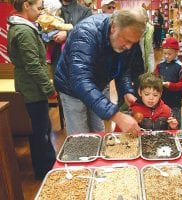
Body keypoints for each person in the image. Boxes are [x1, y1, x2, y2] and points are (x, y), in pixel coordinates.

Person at [54, 8, 146, 135]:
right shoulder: (85, 33)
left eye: (133, 42)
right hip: (72, 89)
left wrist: (126, 90)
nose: (129, 46)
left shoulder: (126, 37)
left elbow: (124, 67)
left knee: (99, 132)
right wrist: (117, 116)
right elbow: (80, 80)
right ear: (113, 27)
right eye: (127, 40)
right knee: (81, 138)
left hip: (97, 85)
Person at [7, 0, 57, 180]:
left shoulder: (22, 26)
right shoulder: (23, 31)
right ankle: (45, 171)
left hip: (30, 86)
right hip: (32, 88)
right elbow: (33, 65)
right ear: (26, 5)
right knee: (39, 130)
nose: (39, 12)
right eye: (37, 8)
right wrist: (49, 88)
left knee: (42, 128)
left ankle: (47, 165)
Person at [154, 37, 182, 128]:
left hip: (175, 101)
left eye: (169, 54)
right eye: (165, 53)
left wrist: (171, 85)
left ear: (176, 52)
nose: (166, 56)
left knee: (175, 122)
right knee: (162, 121)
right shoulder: (160, 65)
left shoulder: (181, 67)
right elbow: (154, 77)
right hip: (161, 100)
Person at [50, 0, 92, 74]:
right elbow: (42, 28)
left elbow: (87, 32)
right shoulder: (51, 7)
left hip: (77, 59)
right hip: (55, 57)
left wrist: (67, 34)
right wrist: (51, 34)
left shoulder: (85, 11)